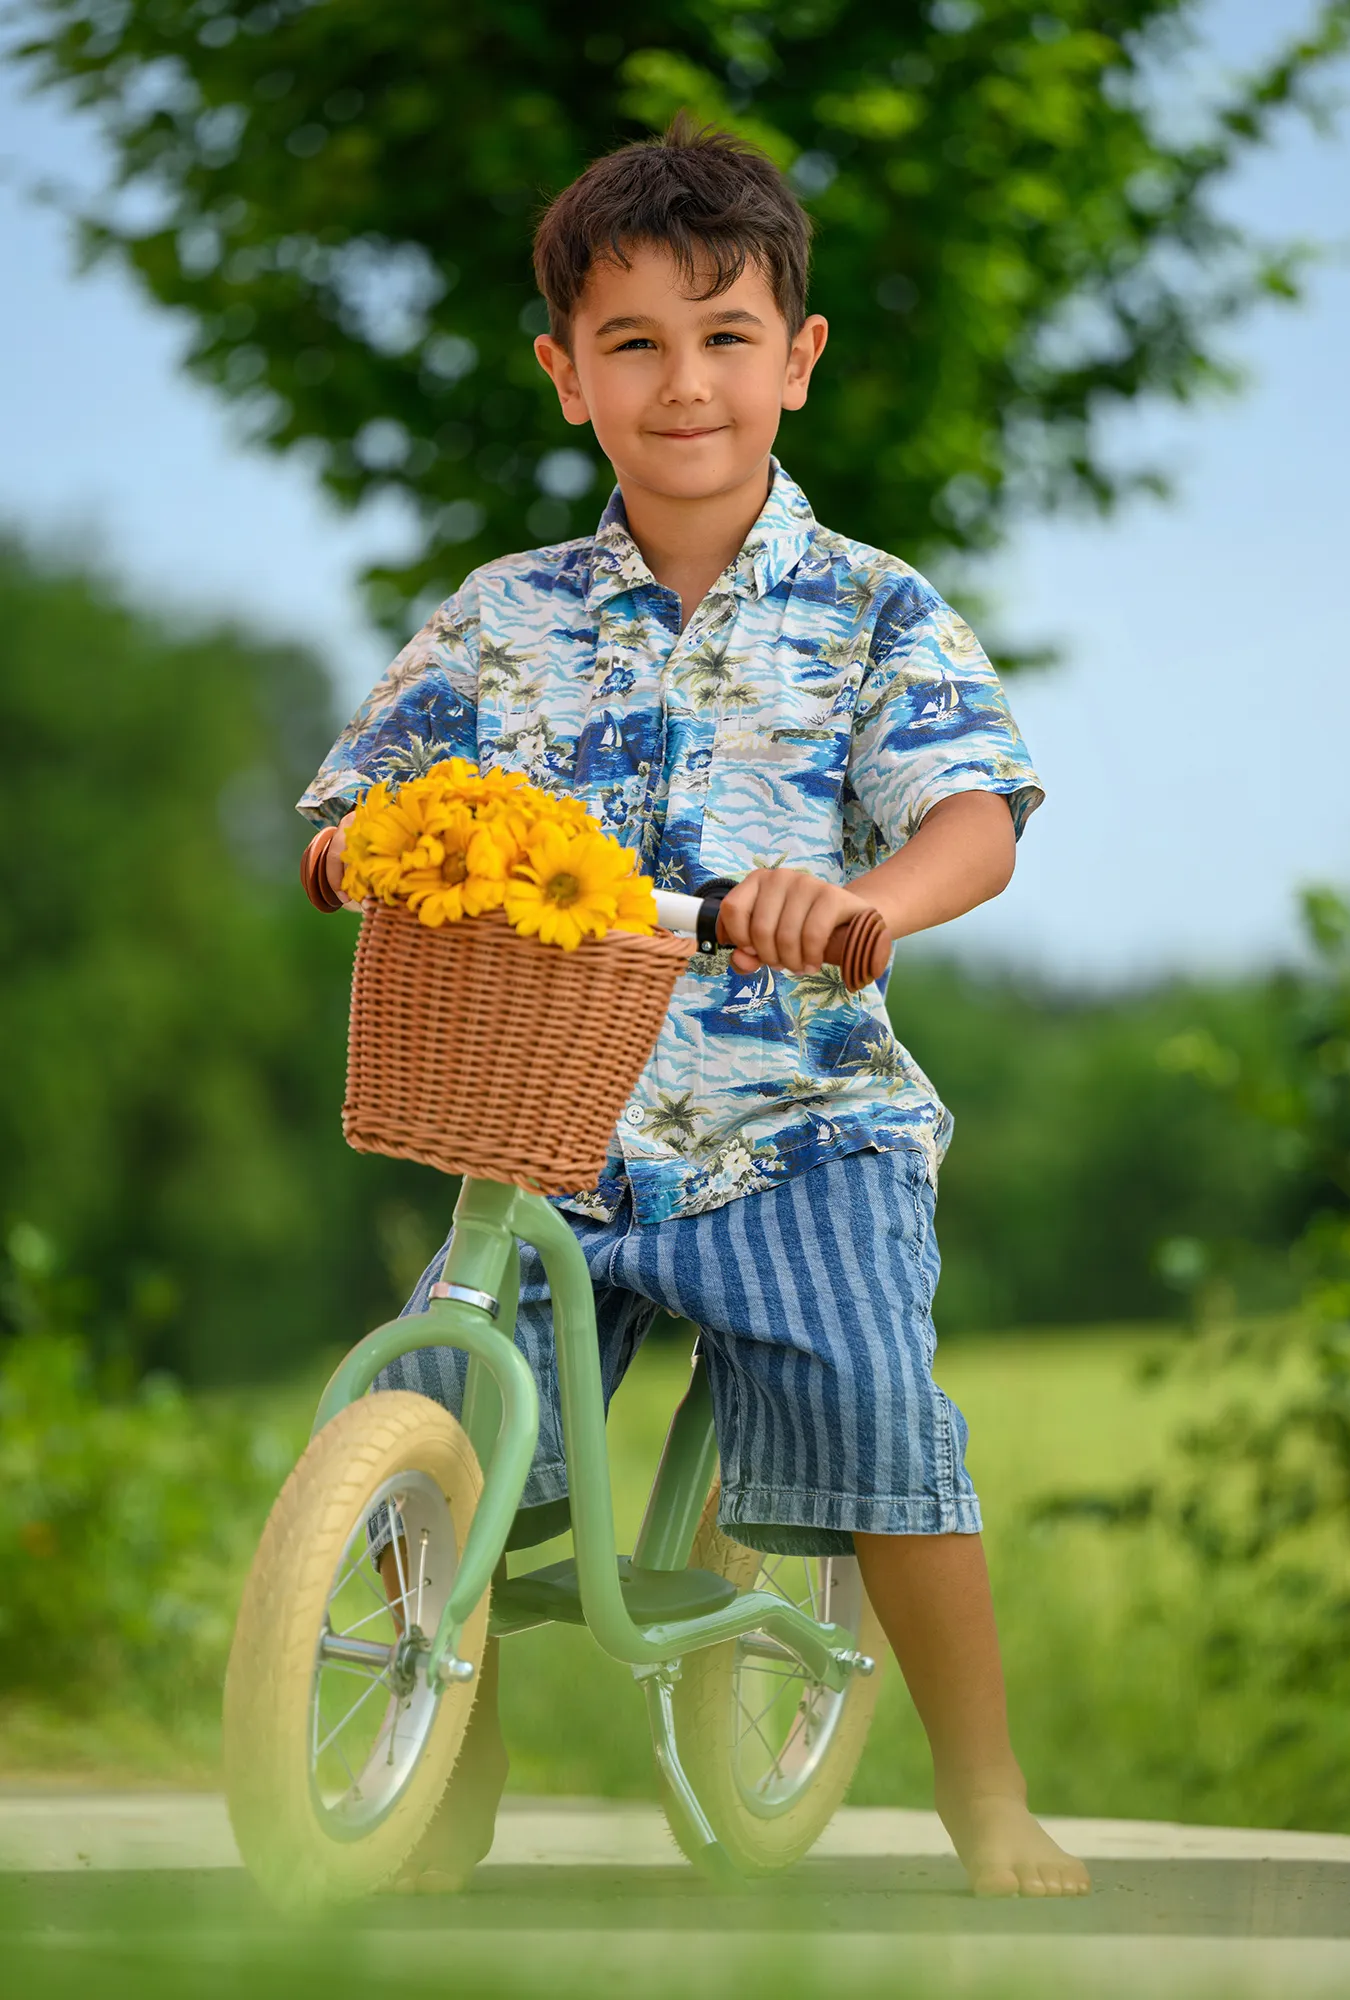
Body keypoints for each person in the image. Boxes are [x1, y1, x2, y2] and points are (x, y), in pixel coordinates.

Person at [298, 115, 1090, 1900]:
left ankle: (983, 1791)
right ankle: (443, 1759)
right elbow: (362, 808)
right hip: (541, 1119)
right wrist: (368, 855)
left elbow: (973, 813)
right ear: (564, 376)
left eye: (723, 338)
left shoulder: (872, 610)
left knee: (873, 1398)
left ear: (794, 363)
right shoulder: (505, 619)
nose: (680, 385)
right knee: (425, 1394)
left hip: (792, 1119)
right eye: (632, 344)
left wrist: (864, 899)